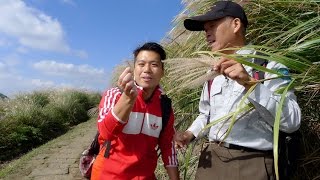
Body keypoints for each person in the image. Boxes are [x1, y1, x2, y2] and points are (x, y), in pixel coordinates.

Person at [174, 1, 301, 180]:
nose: (207, 33)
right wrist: (189, 134)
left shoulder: (269, 66)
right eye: (205, 29)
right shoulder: (212, 73)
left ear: (235, 24)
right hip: (210, 161)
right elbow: (206, 115)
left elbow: (292, 122)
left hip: (252, 164)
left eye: (212, 25)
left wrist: (250, 84)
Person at [91, 42, 179, 180]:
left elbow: (168, 145)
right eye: (141, 64)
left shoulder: (164, 106)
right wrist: (128, 99)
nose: (147, 70)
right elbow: (105, 132)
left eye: (154, 65)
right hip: (108, 176)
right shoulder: (115, 94)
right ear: (134, 69)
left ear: (162, 71)